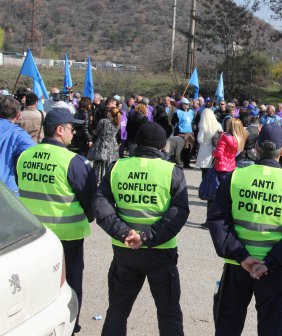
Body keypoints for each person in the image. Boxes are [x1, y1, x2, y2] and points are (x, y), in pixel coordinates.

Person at [207, 124, 282, 336]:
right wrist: (271, 262)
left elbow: (217, 220)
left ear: (255, 148)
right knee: (271, 328)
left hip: (237, 266)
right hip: (273, 269)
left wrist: (242, 256)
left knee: (228, 325)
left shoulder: (236, 177)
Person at [93, 122, 189, 336]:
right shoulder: (171, 171)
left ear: (138, 143)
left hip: (125, 250)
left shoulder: (118, 167)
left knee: (118, 309)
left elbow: (101, 205)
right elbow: (179, 213)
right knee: (169, 312)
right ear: (162, 146)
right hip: (160, 251)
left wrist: (125, 233)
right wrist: (146, 237)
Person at [16, 108, 97, 334]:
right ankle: (70, 325)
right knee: (69, 284)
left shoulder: (25, 155)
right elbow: (90, 198)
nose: (74, 134)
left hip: (33, 235)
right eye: (72, 129)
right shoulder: (72, 161)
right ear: (60, 130)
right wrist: (88, 217)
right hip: (66, 235)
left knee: (38, 282)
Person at [0, 96, 35, 195]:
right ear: (18, 115)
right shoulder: (17, 133)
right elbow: (33, 152)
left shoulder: (16, 133)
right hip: (5, 192)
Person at [91, 107, 121, 183]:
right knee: (109, 164)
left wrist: (93, 132)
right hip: (112, 145)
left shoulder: (103, 121)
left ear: (110, 113)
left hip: (102, 144)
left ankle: (97, 180)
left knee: (99, 164)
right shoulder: (118, 123)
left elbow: (97, 132)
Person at [196, 108, 222, 177]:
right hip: (215, 151)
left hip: (204, 152)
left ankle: (204, 187)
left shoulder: (203, 126)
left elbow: (200, 140)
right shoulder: (218, 125)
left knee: (204, 173)